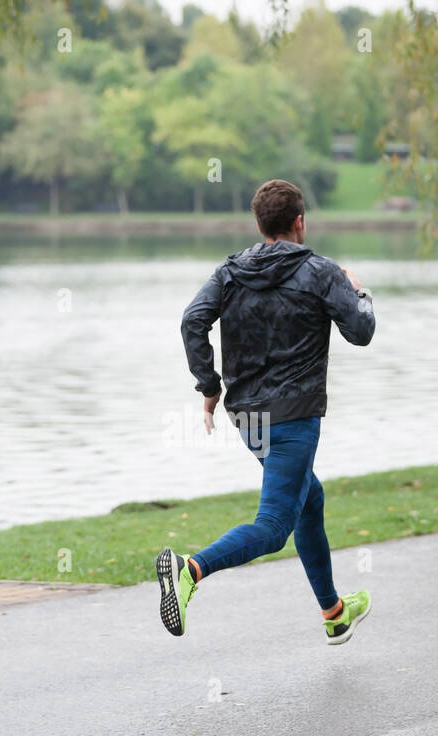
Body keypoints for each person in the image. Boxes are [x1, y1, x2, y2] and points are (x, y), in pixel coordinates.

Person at [156, 178, 376, 644]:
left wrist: (209, 386)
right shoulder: (321, 271)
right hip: (294, 417)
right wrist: (359, 295)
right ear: (299, 221)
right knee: (275, 525)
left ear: (259, 225)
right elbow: (360, 332)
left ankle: (334, 613)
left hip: (247, 417)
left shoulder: (231, 272)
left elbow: (192, 320)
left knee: (309, 501)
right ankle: (189, 569)